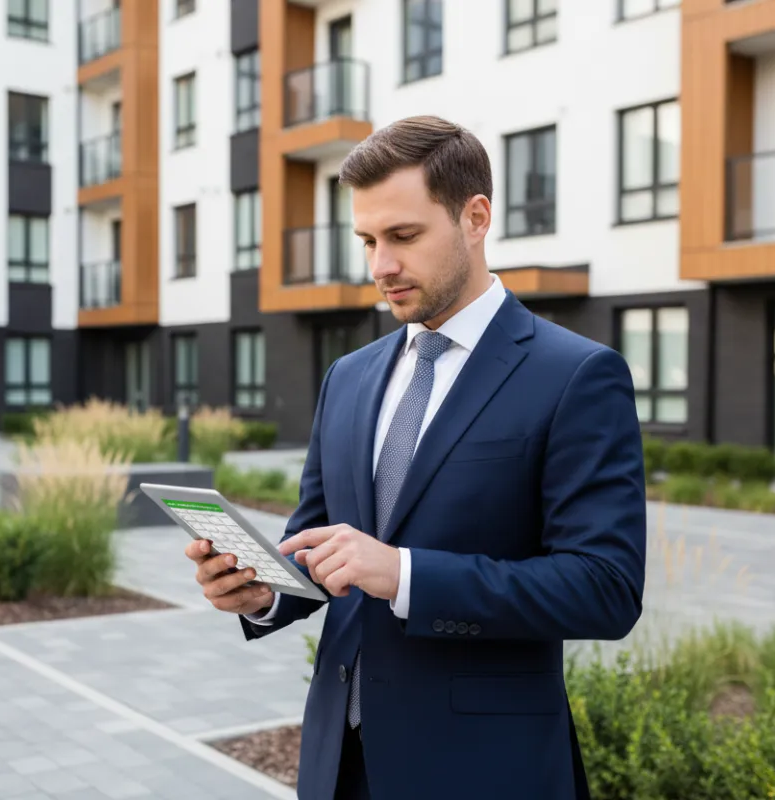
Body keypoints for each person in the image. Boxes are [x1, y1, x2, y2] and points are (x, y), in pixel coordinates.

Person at [185, 115, 647, 800]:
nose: (381, 266)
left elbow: (605, 589)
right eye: (368, 240)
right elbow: (315, 542)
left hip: (486, 770)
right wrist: (262, 593)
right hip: (339, 765)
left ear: (476, 217)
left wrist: (404, 574)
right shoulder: (348, 376)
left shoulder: (576, 375)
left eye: (403, 236)